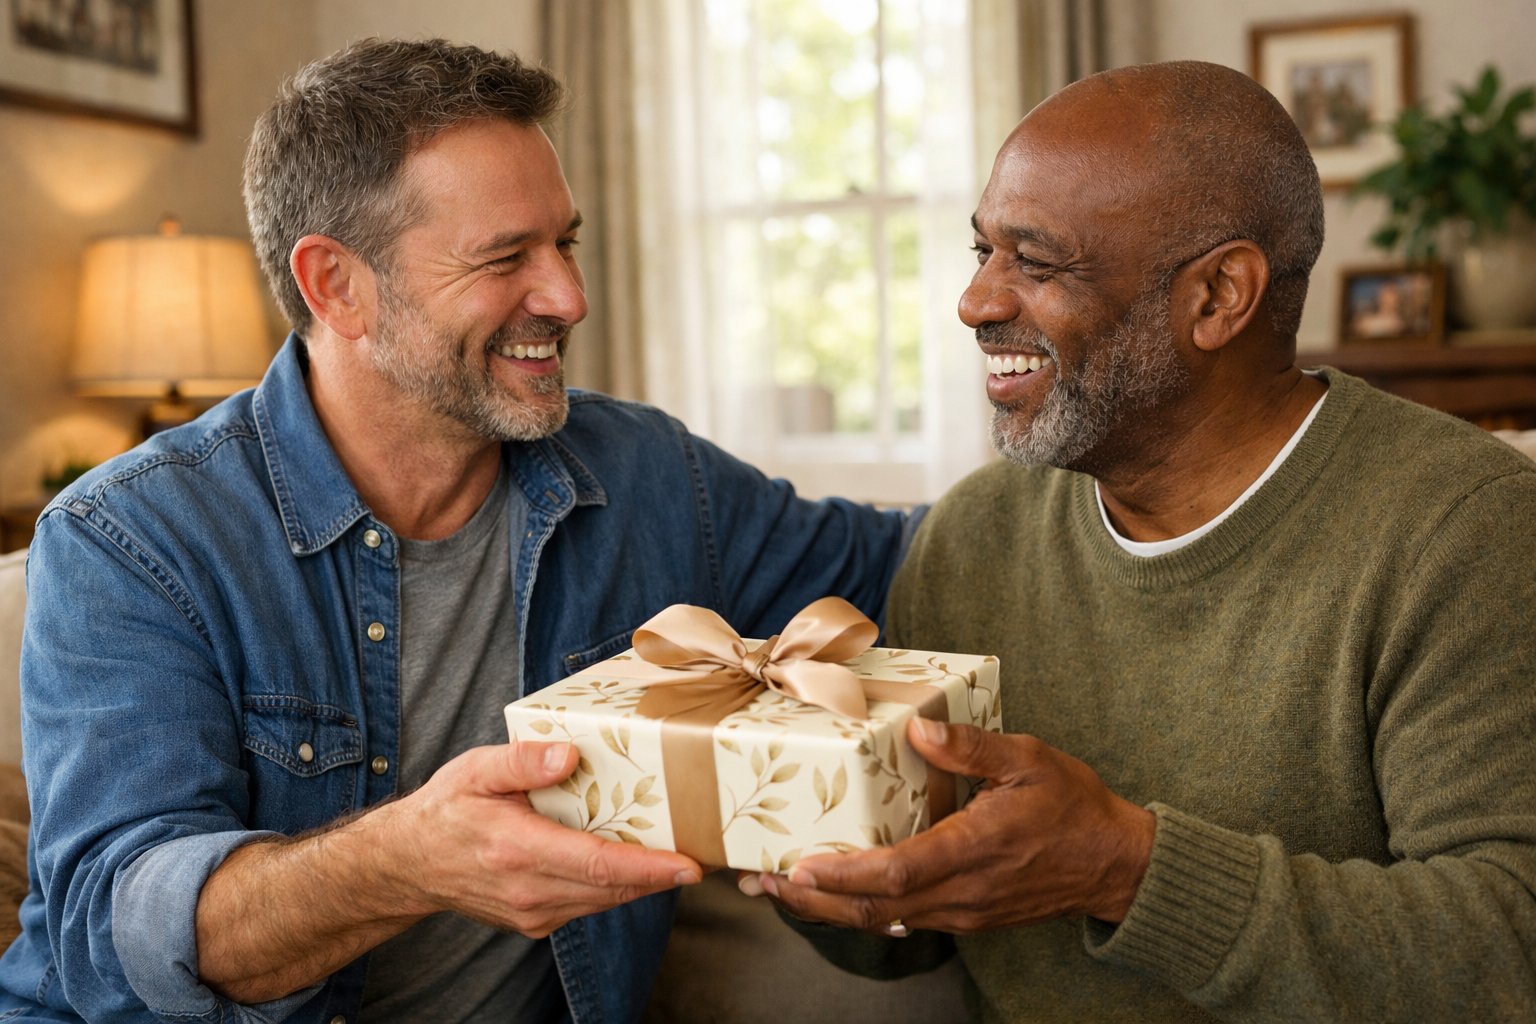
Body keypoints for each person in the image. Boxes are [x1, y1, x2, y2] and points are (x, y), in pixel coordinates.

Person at [0, 38, 918, 1024]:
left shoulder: (647, 474)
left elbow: (916, 561)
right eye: (504, 257)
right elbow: (117, 927)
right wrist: (405, 861)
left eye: (563, 242)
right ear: (336, 286)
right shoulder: (131, 537)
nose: (568, 297)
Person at [740, 60, 1536, 1022]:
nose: (977, 302)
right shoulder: (976, 532)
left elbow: (1507, 951)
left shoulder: (1467, 531)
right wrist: (798, 846)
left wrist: (1126, 870)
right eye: (980, 252)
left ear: (1217, 297)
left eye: (1035, 263)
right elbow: (917, 941)